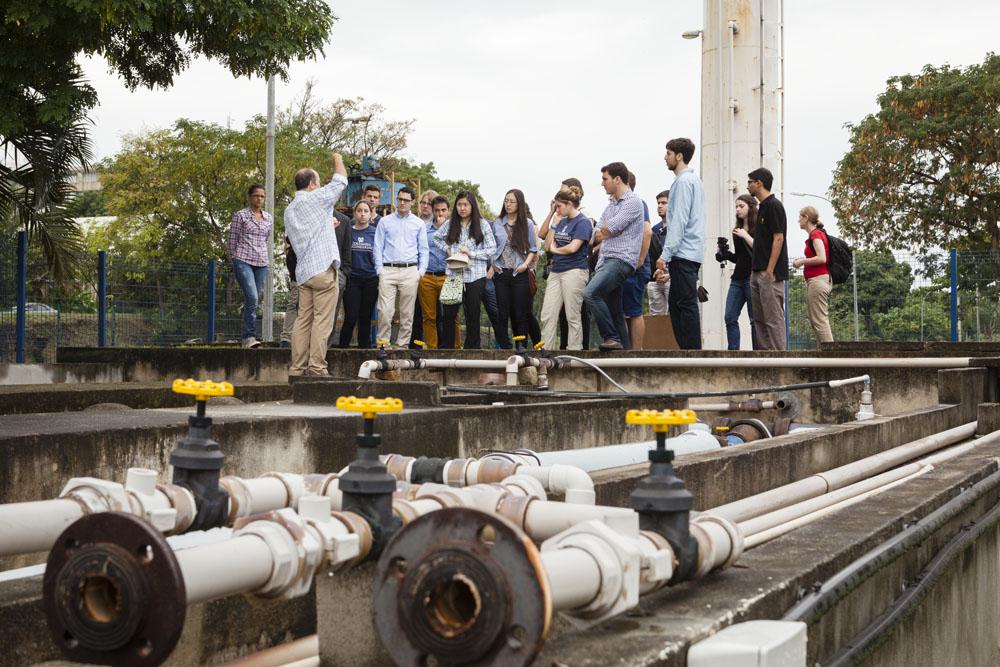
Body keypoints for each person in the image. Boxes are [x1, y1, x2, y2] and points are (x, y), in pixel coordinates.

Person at [284, 153, 348, 377]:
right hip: (322, 267)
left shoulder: (289, 210)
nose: (320, 185)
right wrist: (337, 159)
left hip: (303, 272)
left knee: (303, 320)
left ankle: (296, 367)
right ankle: (316, 367)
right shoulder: (316, 198)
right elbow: (341, 181)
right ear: (312, 184)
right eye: (318, 182)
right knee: (322, 320)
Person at [582, 162, 644, 351]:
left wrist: (606, 230)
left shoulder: (633, 202)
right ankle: (623, 354)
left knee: (590, 293)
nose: (602, 184)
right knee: (616, 312)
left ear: (617, 179)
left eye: (605, 179)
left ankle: (610, 337)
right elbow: (595, 234)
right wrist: (605, 231)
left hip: (620, 260)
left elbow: (611, 228)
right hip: (605, 260)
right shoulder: (611, 205)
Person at [434, 192, 497, 349]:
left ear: (472, 206)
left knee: (473, 314)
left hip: (476, 275)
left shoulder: (482, 224)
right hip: (454, 274)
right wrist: (448, 249)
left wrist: (472, 254)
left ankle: (472, 350)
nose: (462, 208)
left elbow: (492, 248)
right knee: (448, 313)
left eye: (466, 205)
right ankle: (447, 349)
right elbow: (436, 238)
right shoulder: (450, 223)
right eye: (459, 204)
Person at [539, 177, 594, 349]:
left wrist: (556, 250)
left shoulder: (583, 222)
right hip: (556, 271)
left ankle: (574, 351)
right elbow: (547, 245)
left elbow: (573, 248)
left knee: (572, 315)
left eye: (559, 206)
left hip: (575, 271)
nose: (557, 209)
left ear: (569, 204)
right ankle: (546, 352)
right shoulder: (561, 221)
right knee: (547, 314)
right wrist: (554, 224)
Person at [662, 137, 706, 350]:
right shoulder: (694, 180)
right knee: (678, 303)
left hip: (683, 252)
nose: (665, 157)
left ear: (679, 156)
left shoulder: (682, 182)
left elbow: (679, 220)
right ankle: (688, 350)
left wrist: (665, 254)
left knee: (685, 304)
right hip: (691, 251)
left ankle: (691, 352)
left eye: (668, 153)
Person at [373, 186, 428, 348]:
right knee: (384, 311)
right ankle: (383, 344)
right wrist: (379, 270)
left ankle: (402, 345)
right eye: (400, 199)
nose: (402, 203)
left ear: (412, 202)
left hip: (410, 270)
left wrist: (420, 272)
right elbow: (378, 247)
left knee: (407, 313)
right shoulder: (385, 221)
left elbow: (424, 250)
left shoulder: (418, 223)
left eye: (406, 200)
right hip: (388, 269)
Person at [747, 167, 789, 350]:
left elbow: (778, 237)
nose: (747, 185)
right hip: (757, 271)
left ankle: (781, 359)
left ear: (759, 183)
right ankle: (765, 358)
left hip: (769, 273)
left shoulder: (774, 205)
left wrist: (770, 269)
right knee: (760, 320)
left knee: (773, 319)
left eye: (750, 182)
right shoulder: (762, 207)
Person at [227, 184, 273, 348]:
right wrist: (234, 259)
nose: (259, 199)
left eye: (262, 196)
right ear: (250, 197)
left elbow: (265, 239)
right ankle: (248, 337)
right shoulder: (240, 216)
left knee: (255, 298)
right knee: (252, 296)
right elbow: (232, 240)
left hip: (261, 262)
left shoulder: (268, 218)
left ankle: (249, 335)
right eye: (256, 196)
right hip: (243, 260)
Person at [492, 189, 538, 349]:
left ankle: (521, 346)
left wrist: (525, 265)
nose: (508, 204)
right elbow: (491, 246)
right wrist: (493, 263)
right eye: (506, 201)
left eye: (512, 201)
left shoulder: (527, 224)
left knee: (520, 312)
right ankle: (504, 346)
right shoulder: (497, 223)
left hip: (519, 273)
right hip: (501, 272)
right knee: (502, 312)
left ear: (519, 203)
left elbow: (533, 248)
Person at [417, 195, 459, 348]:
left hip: (449, 275)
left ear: (448, 211)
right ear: (432, 211)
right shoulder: (424, 228)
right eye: (437, 210)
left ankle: (456, 348)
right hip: (428, 275)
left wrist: (444, 230)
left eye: (443, 210)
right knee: (429, 316)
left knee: (453, 316)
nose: (440, 213)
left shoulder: (455, 229)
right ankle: (432, 349)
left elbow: (457, 250)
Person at [719, 195, 759, 350]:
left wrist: (746, 235)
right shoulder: (737, 231)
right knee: (729, 316)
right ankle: (733, 352)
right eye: (736, 206)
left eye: (741, 206)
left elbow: (760, 252)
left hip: (752, 277)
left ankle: (758, 353)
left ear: (751, 207)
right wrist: (725, 254)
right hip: (737, 279)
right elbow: (740, 257)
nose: (737, 209)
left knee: (754, 319)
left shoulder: (758, 229)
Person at [338, 201, 379, 348]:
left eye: (366, 211)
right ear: (355, 213)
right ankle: (342, 347)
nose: (362, 214)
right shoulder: (348, 230)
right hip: (352, 279)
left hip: (371, 279)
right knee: (351, 316)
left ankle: (364, 349)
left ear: (370, 214)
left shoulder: (375, 232)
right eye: (359, 210)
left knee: (365, 317)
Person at [793, 206, 833, 345]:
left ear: (806, 218)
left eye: (800, 217)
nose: (798, 220)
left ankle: (830, 356)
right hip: (817, 280)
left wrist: (802, 261)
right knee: (816, 320)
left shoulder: (816, 235)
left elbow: (822, 258)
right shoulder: (816, 234)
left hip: (818, 280)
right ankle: (823, 354)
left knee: (819, 320)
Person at [621, 172, 653, 349]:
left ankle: (637, 352)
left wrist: (639, 260)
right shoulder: (619, 206)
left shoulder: (638, 203)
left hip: (635, 266)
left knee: (634, 311)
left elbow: (647, 232)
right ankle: (627, 350)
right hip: (623, 264)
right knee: (624, 311)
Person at [647, 191, 670, 317]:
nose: (659, 206)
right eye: (658, 203)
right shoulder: (654, 230)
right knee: (656, 319)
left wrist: (669, 274)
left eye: (664, 203)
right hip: (656, 279)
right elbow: (651, 255)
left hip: (674, 277)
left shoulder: (680, 227)